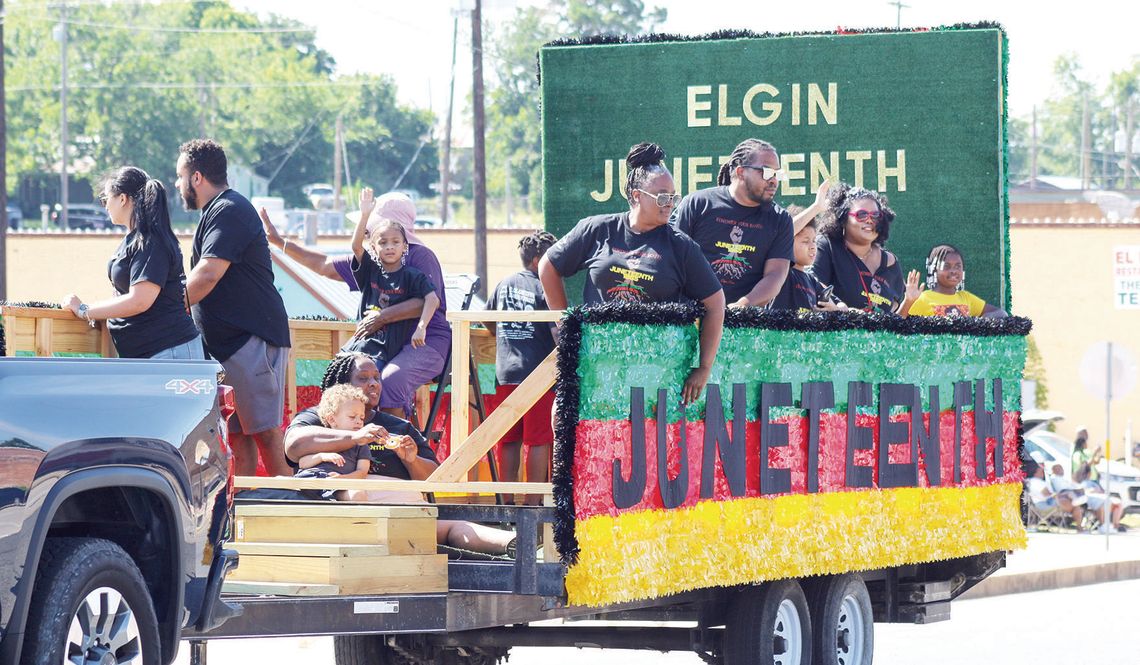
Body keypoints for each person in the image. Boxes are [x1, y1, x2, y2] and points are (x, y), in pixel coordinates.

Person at [538, 142, 726, 405]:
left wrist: (704, 366)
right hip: (597, 365)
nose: (669, 204)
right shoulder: (597, 229)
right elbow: (548, 265)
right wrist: (564, 324)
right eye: (662, 197)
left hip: (656, 372)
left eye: (673, 197)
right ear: (637, 195)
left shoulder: (681, 246)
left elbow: (716, 303)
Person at [285, 353, 516, 555]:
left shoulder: (398, 426)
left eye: (376, 377)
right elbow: (293, 446)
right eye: (363, 379)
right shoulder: (319, 418)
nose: (373, 383)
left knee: (455, 528)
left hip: (401, 514)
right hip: (341, 517)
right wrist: (355, 437)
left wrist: (412, 460)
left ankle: (521, 545)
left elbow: (436, 478)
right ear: (343, 386)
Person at [178, 139, 292, 477]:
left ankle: (294, 511)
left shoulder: (229, 209)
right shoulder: (216, 211)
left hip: (249, 341)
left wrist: (165, 309)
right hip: (228, 345)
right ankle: (238, 516)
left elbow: (209, 273)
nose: (177, 184)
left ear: (196, 177)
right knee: (239, 436)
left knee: (266, 433)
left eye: (179, 176)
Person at [61, 166, 202, 359]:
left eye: (106, 199)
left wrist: (84, 310)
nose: (105, 206)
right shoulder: (134, 240)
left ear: (122, 198)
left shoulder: (151, 242)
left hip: (169, 350)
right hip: (149, 353)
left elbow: (140, 301)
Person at [673, 138, 819, 308]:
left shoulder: (780, 220)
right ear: (741, 172)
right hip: (690, 316)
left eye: (777, 174)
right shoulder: (697, 204)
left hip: (745, 325)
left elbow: (775, 276)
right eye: (766, 172)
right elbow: (674, 262)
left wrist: (742, 306)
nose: (774, 180)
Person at [486, 231, 559, 505]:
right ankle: (532, 502)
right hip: (537, 375)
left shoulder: (503, 283)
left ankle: (505, 501)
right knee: (538, 440)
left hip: (505, 373)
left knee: (509, 439)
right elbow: (557, 332)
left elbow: (488, 320)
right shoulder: (545, 286)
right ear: (539, 260)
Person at [344, 189, 440, 382]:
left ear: (405, 246)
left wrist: (421, 327)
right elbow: (356, 247)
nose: (389, 247)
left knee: (364, 385)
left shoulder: (412, 274)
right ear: (373, 246)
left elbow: (432, 299)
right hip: (357, 345)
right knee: (336, 378)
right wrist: (365, 214)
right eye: (383, 242)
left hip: (382, 350)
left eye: (395, 242)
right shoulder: (370, 270)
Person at [811, 182, 922, 314]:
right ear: (843, 218)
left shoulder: (890, 262)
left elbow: (893, 323)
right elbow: (813, 285)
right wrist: (841, 310)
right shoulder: (827, 246)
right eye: (861, 215)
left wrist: (908, 302)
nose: (869, 220)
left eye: (875, 215)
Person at [294, 384, 374, 501]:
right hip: (308, 479)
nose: (358, 422)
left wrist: (343, 479)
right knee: (278, 485)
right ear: (332, 419)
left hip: (337, 486)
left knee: (358, 495)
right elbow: (302, 463)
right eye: (352, 417)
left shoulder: (361, 444)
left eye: (362, 418)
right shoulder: (321, 437)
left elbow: (362, 472)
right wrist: (321, 456)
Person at [768, 215, 847, 313]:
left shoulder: (813, 281)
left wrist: (835, 309)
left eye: (814, 240)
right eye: (806, 241)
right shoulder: (780, 273)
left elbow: (842, 305)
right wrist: (816, 207)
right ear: (787, 242)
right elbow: (782, 235)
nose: (813, 246)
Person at [905, 244, 1009, 318]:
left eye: (958, 266)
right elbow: (898, 325)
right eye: (946, 266)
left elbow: (1001, 313)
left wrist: (979, 324)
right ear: (934, 270)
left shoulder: (966, 298)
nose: (954, 271)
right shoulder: (923, 298)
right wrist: (908, 301)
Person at [1049, 463, 1124, 533]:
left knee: (1107, 501)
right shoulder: (1054, 479)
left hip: (1076, 494)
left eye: (1061, 468)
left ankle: (1111, 525)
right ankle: (1103, 525)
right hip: (1066, 495)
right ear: (1053, 470)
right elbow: (1060, 490)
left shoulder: (1064, 479)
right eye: (1059, 469)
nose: (1062, 470)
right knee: (1099, 501)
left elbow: (1074, 487)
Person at [1025, 462, 1084, 529]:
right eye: (1040, 470)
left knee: (1074, 505)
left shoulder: (1035, 481)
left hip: (1047, 501)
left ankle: (1076, 511)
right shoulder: (1035, 481)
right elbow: (1046, 493)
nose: (1042, 472)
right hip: (1045, 504)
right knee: (1074, 505)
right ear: (1035, 472)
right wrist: (1057, 495)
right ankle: (1079, 524)